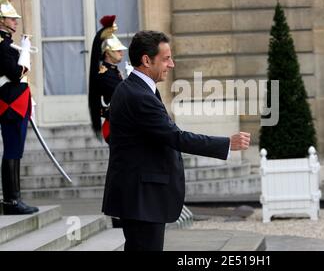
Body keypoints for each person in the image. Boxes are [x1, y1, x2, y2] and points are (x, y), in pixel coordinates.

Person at [102, 31, 251, 251]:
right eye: (166, 58)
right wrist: (227, 143)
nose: (171, 64)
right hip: (141, 198)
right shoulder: (139, 95)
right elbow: (176, 137)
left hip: (138, 196)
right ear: (146, 60)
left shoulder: (135, 88)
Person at [0, 0, 39, 215]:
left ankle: (14, 199)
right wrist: (24, 50)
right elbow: (16, 74)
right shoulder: (2, 46)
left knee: (16, 151)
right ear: (2, 20)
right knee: (13, 150)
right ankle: (12, 201)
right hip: (10, 104)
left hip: (17, 102)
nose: (16, 21)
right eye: (12, 18)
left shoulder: (6, 44)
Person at [88, 15, 130, 144]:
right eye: (117, 50)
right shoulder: (104, 74)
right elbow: (120, 95)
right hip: (115, 125)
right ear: (107, 52)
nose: (121, 53)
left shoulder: (113, 70)